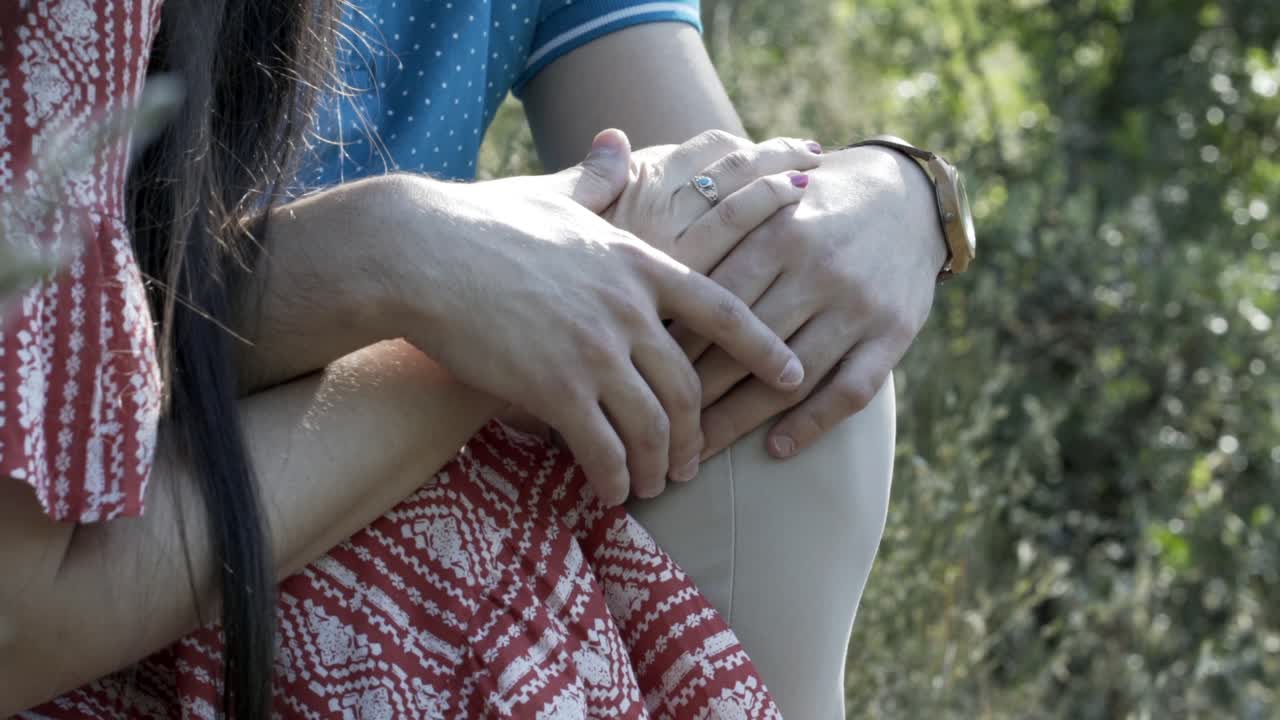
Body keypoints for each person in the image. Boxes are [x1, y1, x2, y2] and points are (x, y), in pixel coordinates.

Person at [0, 1, 913, 718]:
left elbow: (706, 223)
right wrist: (406, 269)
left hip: (351, 438)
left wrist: (908, 189)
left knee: (786, 358)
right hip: (166, 477)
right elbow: (64, 338)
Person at [305, 1, 951, 717]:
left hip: (434, 392)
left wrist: (910, 190)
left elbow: (717, 216)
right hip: (223, 417)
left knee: (787, 338)